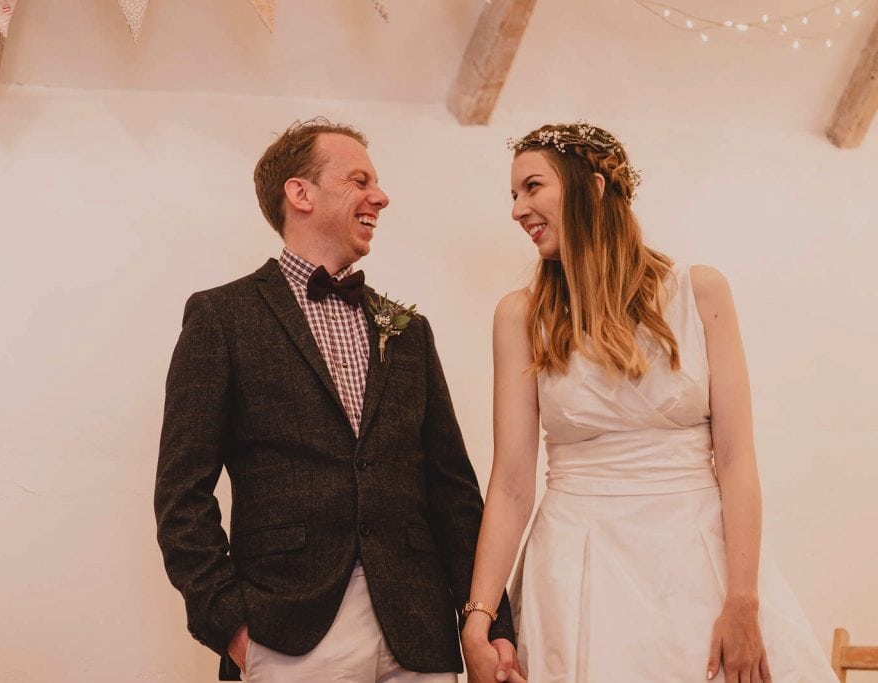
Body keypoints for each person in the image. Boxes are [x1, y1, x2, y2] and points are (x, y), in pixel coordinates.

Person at [461, 122, 838, 682]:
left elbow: (735, 459)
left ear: (590, 189)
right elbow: (513, 482)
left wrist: (742, 601)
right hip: (576, 563)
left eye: (532, 187)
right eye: (513, 194)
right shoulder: (520, 316)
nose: (518, 208)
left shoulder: (700, 291)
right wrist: (480, 616)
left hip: (696, 558)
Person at [154, 118, 517, 682]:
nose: (381, 196)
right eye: (359, 179)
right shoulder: (221, 317)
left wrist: (493, 624)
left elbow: (453, 492)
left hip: (418, 631)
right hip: (288, 632)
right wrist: (230, 625)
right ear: (300, 193)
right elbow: (182, 494)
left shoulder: (408, 330)